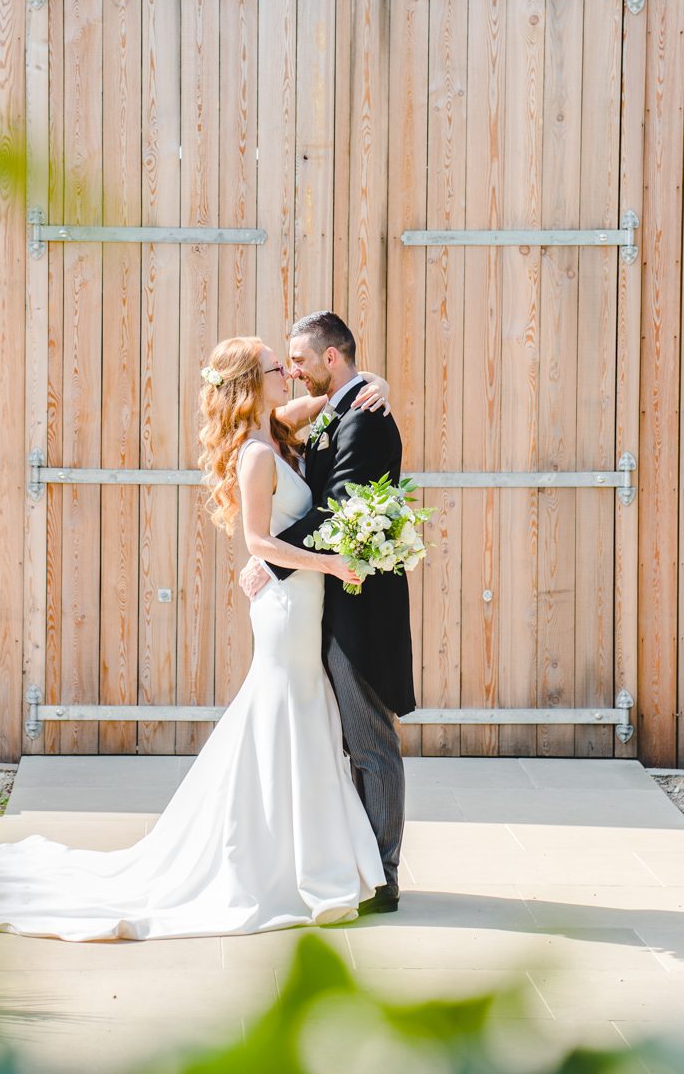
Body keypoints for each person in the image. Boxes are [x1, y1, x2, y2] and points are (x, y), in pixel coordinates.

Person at [0, 336, 394, 940]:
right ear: (249, 383)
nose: (288, 374)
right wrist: (333, 566)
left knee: (298, 716)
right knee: (287, 709)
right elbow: (258, 545)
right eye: (275, 367)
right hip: (288, 603)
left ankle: (299, 854)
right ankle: (284, 863)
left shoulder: (280, 426)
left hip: (302, 600)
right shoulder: (258, 455)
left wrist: (377, 384)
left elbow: (339, 396)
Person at [240, 311, 414, 915]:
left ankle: (383, 875)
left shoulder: (363, 419)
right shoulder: (329, 412)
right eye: (281, 363)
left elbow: (340, 508)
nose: (292, 370)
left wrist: (271, 563)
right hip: (320, 600)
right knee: (337, 741)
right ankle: (354, 862)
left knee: (368, 741)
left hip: (356, 606)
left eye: (301, 360)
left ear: (331, 359)